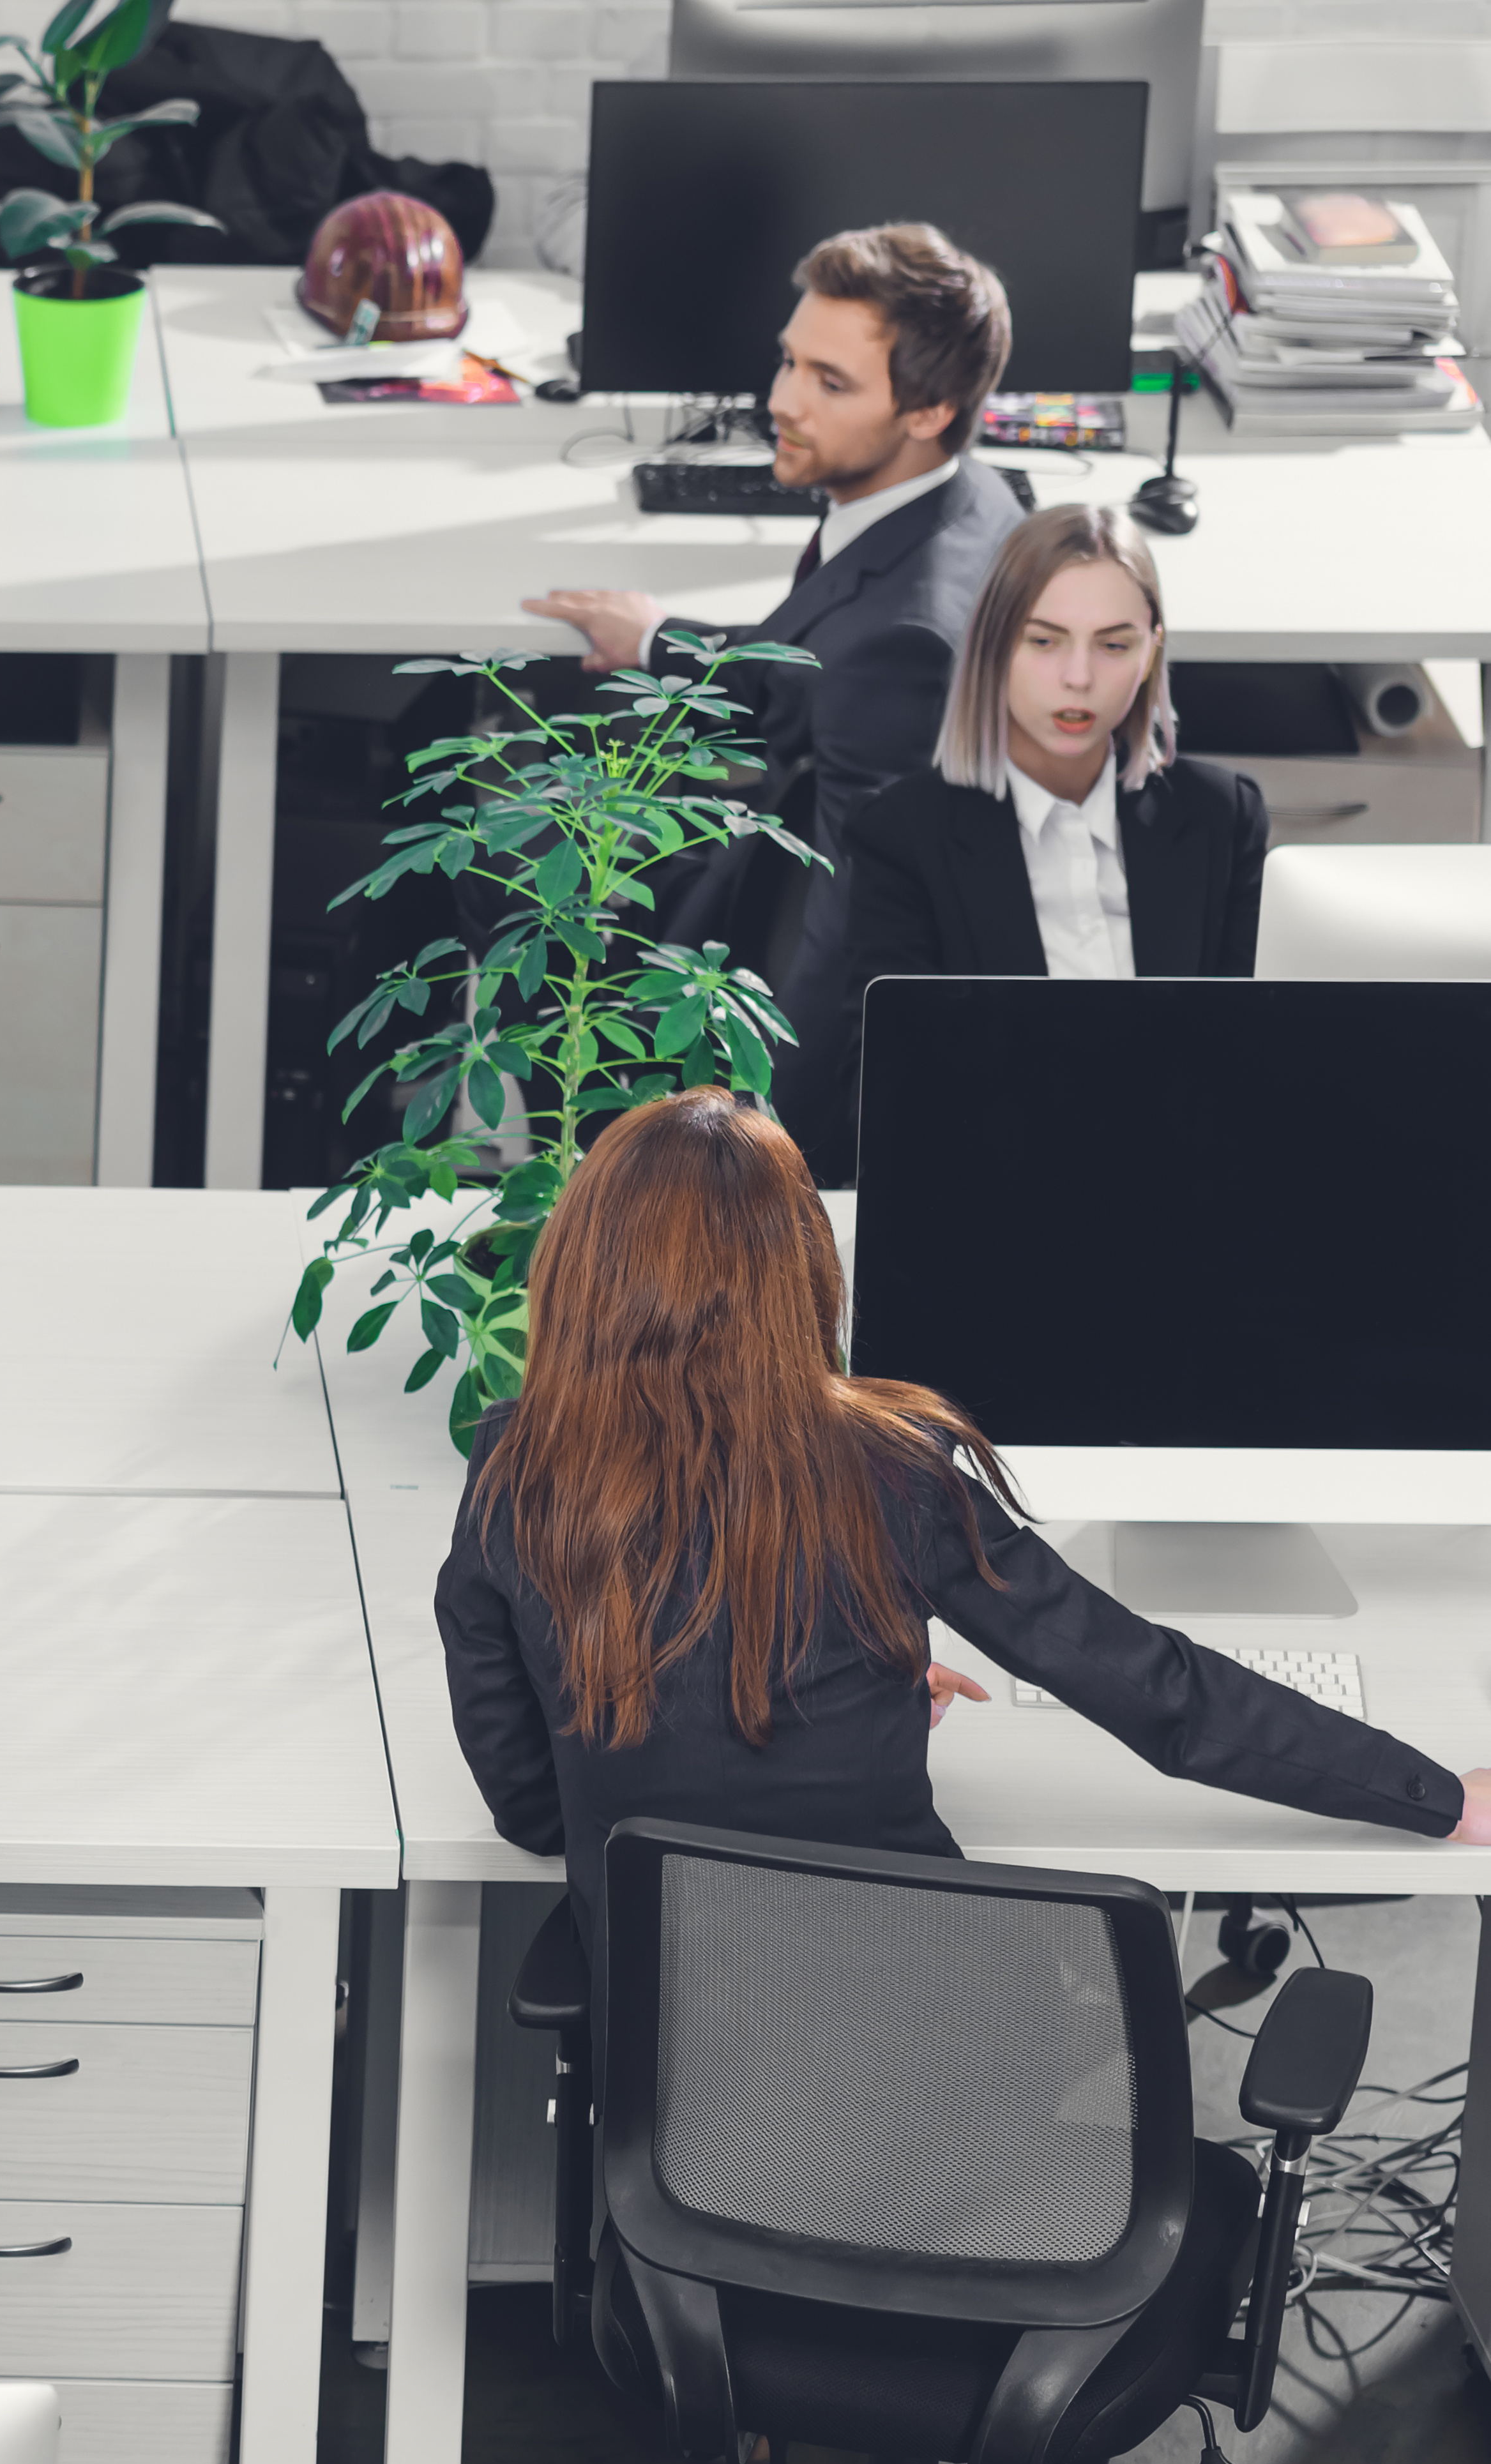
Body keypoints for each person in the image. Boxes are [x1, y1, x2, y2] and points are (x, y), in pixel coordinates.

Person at [435, 1088, 1489, 1971]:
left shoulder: (513, 1470)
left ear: (581, 1269)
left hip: (682, 2143)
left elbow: (531, 1807)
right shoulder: (889, 1470)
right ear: (794, 1268)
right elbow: (1154, 1692)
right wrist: (1435, 1795)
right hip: (934, 2091)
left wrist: (839, 1682)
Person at [523, 225, 1031, 1188]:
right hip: (782, 807)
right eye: (789, 359)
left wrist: (754, 1155)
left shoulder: (908, 639)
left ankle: (561, 1179)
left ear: (928, 409)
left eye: (830, 383)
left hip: (773, 939)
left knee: (514, 870)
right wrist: (663, 639)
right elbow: (814, 667)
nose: (782, 400)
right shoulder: (965, 494)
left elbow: (851, 944)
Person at [813, 503, 1264, 1024]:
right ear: (996, 645)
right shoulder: (901, 836)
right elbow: (882, 1080)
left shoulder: (1223, 815)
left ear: (1150, 656)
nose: (1078, 677)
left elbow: (1250, 1039)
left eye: (1114, 645)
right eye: (1045, 641)